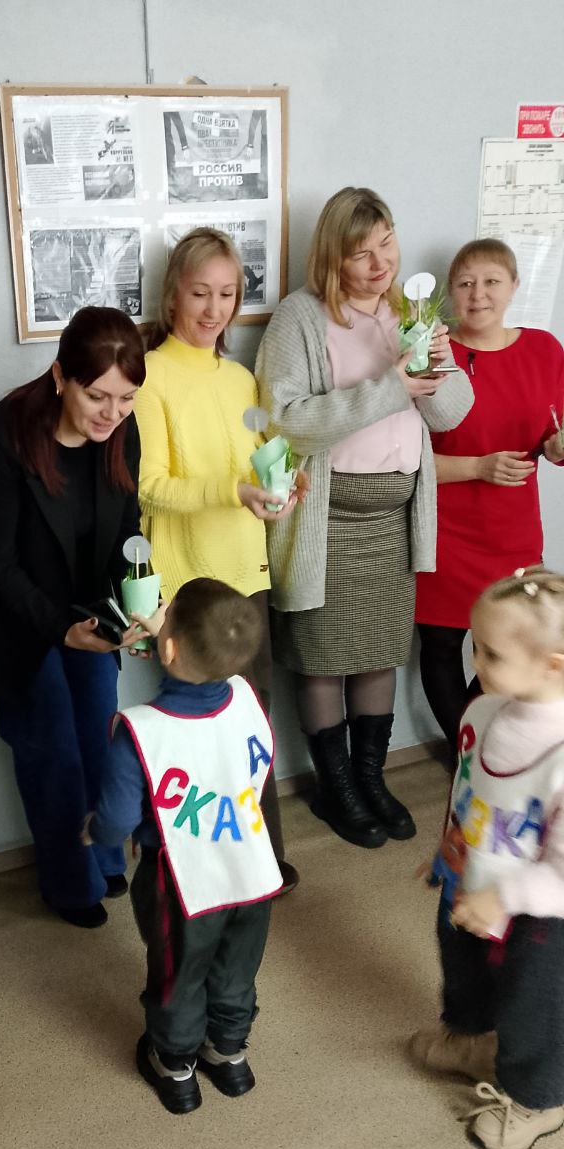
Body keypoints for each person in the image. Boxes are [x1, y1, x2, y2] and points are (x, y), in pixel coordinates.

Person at [255, 187, 473, 849]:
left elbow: (450, 413)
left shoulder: (409, 310)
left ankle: (371, 778)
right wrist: (391, 387)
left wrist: (436, 362)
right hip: (325, 521)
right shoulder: (300, 317)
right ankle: (336, 787)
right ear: (331, 257)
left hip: (394, 518)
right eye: (361, 254)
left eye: (387, 244)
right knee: (324, 658)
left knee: (379, 652)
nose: (381, 264)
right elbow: (286, 423)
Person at [0, 307, 146, 929]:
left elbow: (127, 528)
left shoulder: (122, 429)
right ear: (61, 376)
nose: (112, 413)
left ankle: (105, 857)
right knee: (53, 753)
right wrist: (57, 628)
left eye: (126, 398)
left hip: (88, 612)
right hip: (16, 620)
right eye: (97, 396)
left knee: (100, 735)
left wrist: (141, 600)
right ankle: (69, 884)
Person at [135, 227, 301, 891]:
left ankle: (263, 858)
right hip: (190, 586)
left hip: (247, 575)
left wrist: (281, 488)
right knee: (200, 736)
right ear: (173, 295)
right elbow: (151, 487)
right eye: (201, 292)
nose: (214, 308)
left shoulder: (239, 378)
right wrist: (233, 491)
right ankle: (206, 868)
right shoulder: (150, 376)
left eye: (228, 294)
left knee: (252, 726)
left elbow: (260, 462)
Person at [87, 579, 282, 1114]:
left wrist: (94, 832)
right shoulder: (246, 694)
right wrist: (171, 639)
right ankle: (229, 1054)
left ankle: (175, 1065)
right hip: (253, 870)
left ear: (167, 648)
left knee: (180, 973)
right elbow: (215, 681)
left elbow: (117, 820)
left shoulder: (141, 730)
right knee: (237, 967)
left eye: (166, 613)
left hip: (181, 883)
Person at [409, 568, 564, 1149]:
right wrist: (448, 849)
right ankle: (472, 1038)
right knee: (461, 962)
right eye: (475, 645)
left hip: (540, 911)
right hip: (471, 877)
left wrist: (504, 898)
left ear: (552, 666)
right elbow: (470, 787)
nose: (475, 662)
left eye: (491, 654)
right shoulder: (482, 714)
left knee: (533, 1001)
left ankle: (538, 1096)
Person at [415, 239, 564, 751]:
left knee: (510, 643)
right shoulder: (431, 354)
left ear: (514, 286)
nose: (478, 294)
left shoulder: (544, 349)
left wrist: (557, 448)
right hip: (444, 529)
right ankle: (467, 755)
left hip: (512, 531)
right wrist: (478, 467)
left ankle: (489, 747)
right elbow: (403, 460)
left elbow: (553, 433)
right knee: (440, 646)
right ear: (450, 293)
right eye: (465, 283)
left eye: (492, 282)